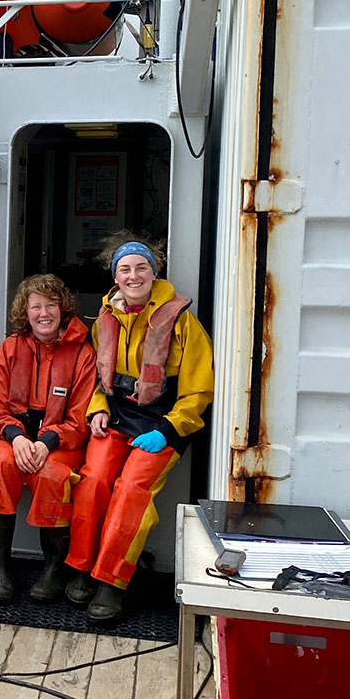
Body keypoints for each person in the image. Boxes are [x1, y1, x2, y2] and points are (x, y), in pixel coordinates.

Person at [64, 234, 214, 623]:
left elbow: (199, 391)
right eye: (125, 269)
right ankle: (81, 568)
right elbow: (98, 380)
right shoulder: (104, 319)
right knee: (93, 481)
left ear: (154, 271)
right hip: (117, 417)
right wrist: (98, 409)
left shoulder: (182, 322)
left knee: (131, 490)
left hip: (162, 423)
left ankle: (112, 582)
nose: (134, 276)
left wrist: (168, 430)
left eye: (141, 267)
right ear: (115, 276)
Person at [0, 274, 97, 604]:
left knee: (53, 475)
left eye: (51, 305)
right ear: (25, 312)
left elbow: (79, 419)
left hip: (60, 443)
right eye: (36, 307)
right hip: (15, 437)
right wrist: (16, 437)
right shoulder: (10, 349)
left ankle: (53, 569)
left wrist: (47, 443)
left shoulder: (83, 354)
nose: (44, 313)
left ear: (63, 308)